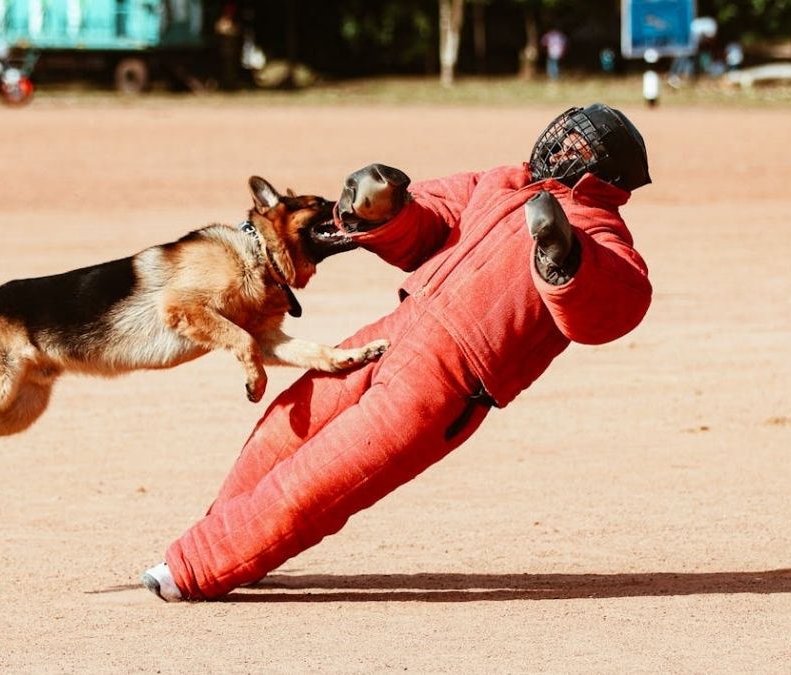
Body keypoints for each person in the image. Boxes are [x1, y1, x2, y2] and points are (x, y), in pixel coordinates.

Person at [141, 103, 654, 602]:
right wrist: (384, 209)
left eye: (580, 144)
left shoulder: (601, 233)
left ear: (604, 173)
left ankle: (192, 570)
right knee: (282, 427)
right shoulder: (504, 181)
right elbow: (433, 219)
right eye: (566, 131)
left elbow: (616, 305)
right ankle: (231, 546)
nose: (561, 144)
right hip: (394, 332)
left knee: (318, 480)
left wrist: (565, 257)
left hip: (448, 382)